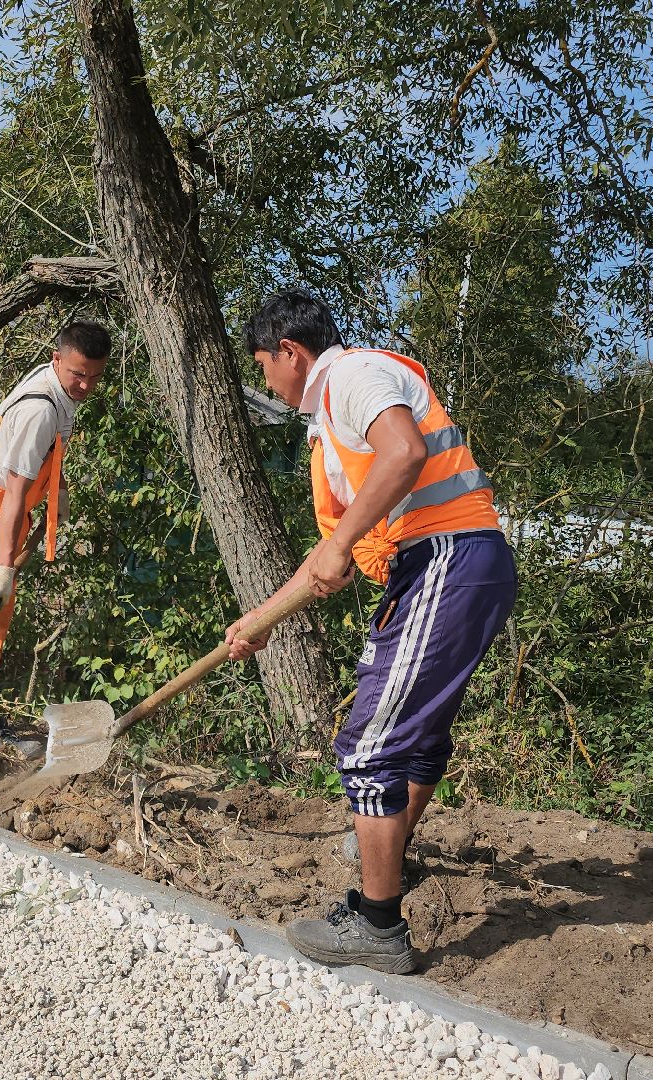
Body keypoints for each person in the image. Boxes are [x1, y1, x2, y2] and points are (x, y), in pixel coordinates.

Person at [228, 290, 517, 974]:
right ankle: (386, 854)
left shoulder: (352, 377)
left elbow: (405, 452)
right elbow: (331, 559)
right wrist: (262, 621)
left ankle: (378, 925)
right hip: (450, 563)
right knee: (413, 739)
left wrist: (345, 540)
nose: (266, 379)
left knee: (369, 746)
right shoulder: (335, 414)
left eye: (264, 364)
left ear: (290, 353)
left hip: (446, 557)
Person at [0, 321, 112, 755]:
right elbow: (15, 494)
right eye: (78, 373)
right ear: (58, 360)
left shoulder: (57, 389)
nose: (86, 384)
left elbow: (46, 457)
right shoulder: (40, 409)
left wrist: (59, 488)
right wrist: (2, 566)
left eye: (95, 375)